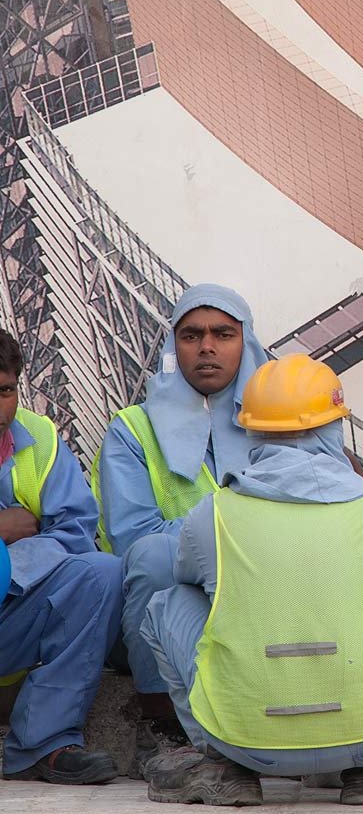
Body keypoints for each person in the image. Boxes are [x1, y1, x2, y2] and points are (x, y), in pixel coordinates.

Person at [139, 353, 363, 806]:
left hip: (246, 741)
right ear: (332, 428)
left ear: (250, 430)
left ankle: (222, 764)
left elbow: (186, 575)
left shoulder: (214, 512)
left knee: (171, 603)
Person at [93, 284, 268, 777]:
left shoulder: (279, 421)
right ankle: (162, 728)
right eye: (191, 335)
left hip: (265, 589)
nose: (206, 347)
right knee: (152, 555)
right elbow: (135, 536)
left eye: (223, 334)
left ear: (247, 343)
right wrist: (238, 528)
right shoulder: (133, 428)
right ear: (174, 346)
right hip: (174, 599)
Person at [0, 329, 122, 784]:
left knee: (100, 574)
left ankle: (43, 743)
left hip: (12, 612)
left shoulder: (40, 437)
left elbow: (74, 532)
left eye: (5, 391)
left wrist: (11, 568)